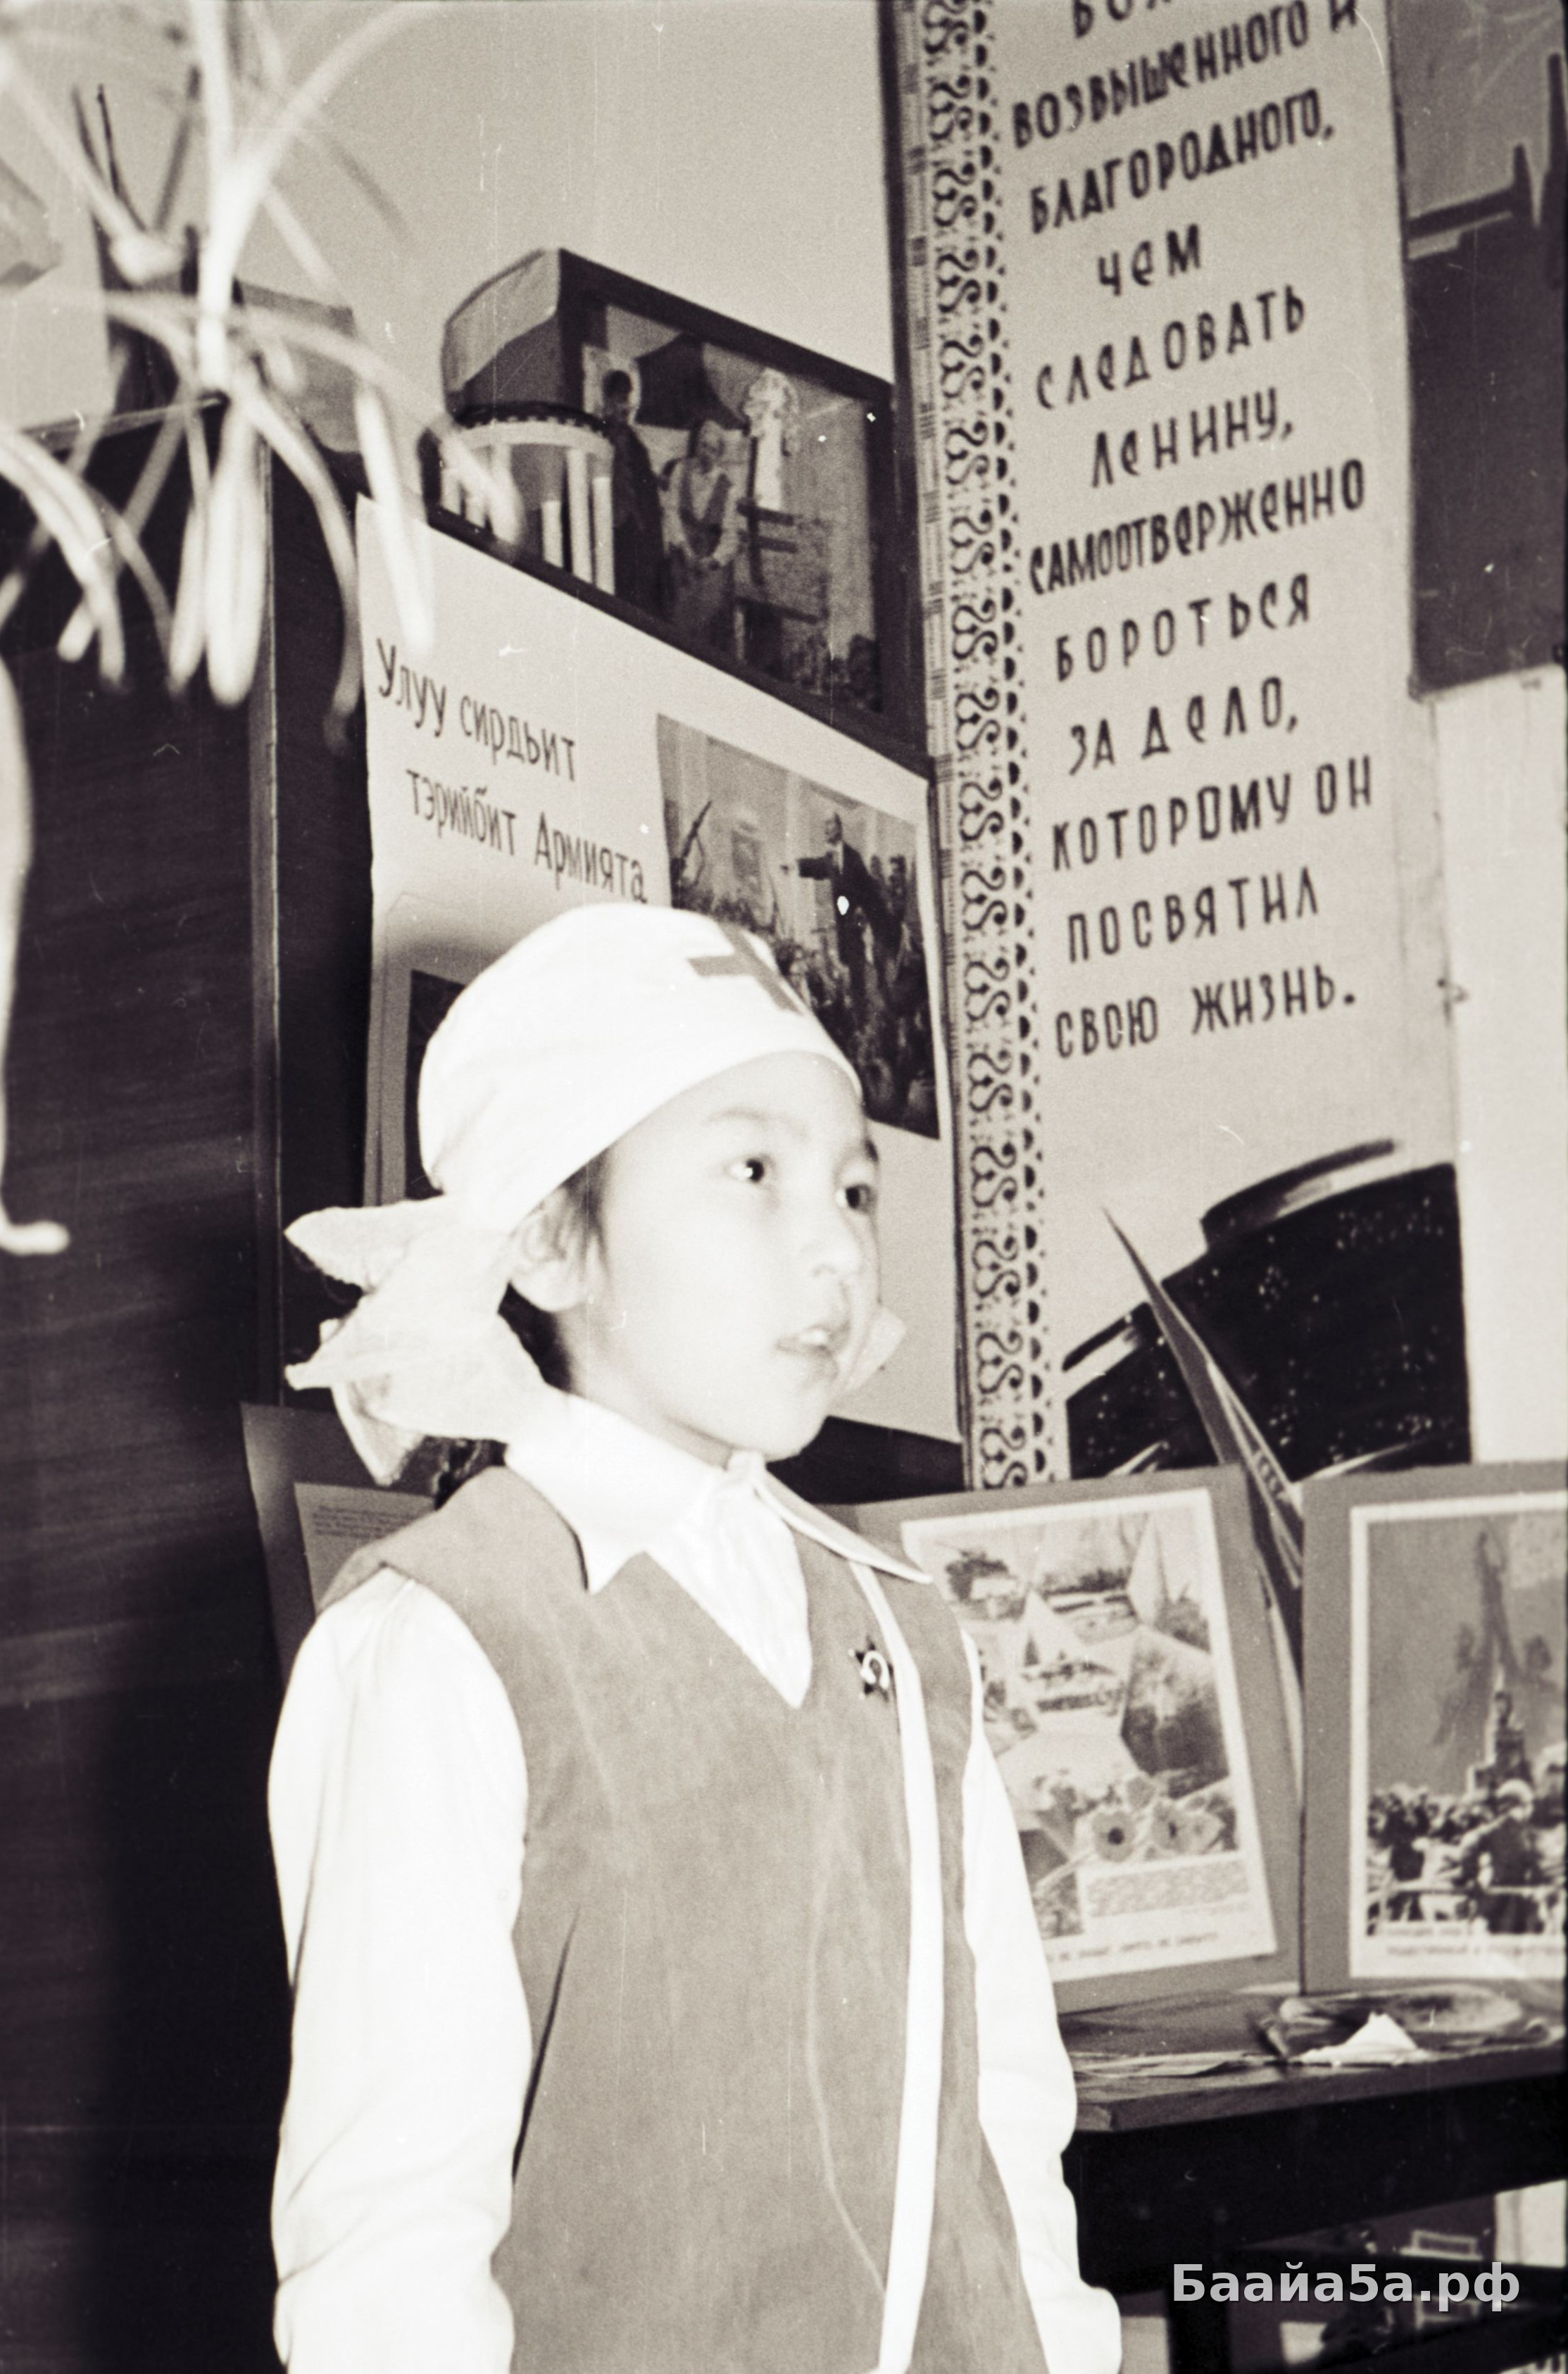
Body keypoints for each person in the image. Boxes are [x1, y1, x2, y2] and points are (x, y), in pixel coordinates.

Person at [268, 903, 1121, 2374]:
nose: (834, 1248)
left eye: (853, 1189)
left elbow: (1008, 2134)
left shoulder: (904, 1628)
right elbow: (391, 2253)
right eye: (751, 1172)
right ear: (553, 1240)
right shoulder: (439, 1641)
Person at [662, 413, 741, 656]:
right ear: (697, 445)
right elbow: (671, 511)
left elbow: (730, 536)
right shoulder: (681, 470)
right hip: (683, 548)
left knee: (709, 607)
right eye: (703, 446)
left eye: (713, 450)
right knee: (677, 604)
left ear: (720, 454)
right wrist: (684, 548)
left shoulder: (727, 487)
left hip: (710, 555)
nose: (706, 453)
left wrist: (714, 560)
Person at [598, 368, 666, 615]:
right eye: (619, 399)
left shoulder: (636, 446)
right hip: (607, 529)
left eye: (626, 399)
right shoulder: (596, 435)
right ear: (607, 400)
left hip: (635, 532)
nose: (624, 407)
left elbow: (648, 497)